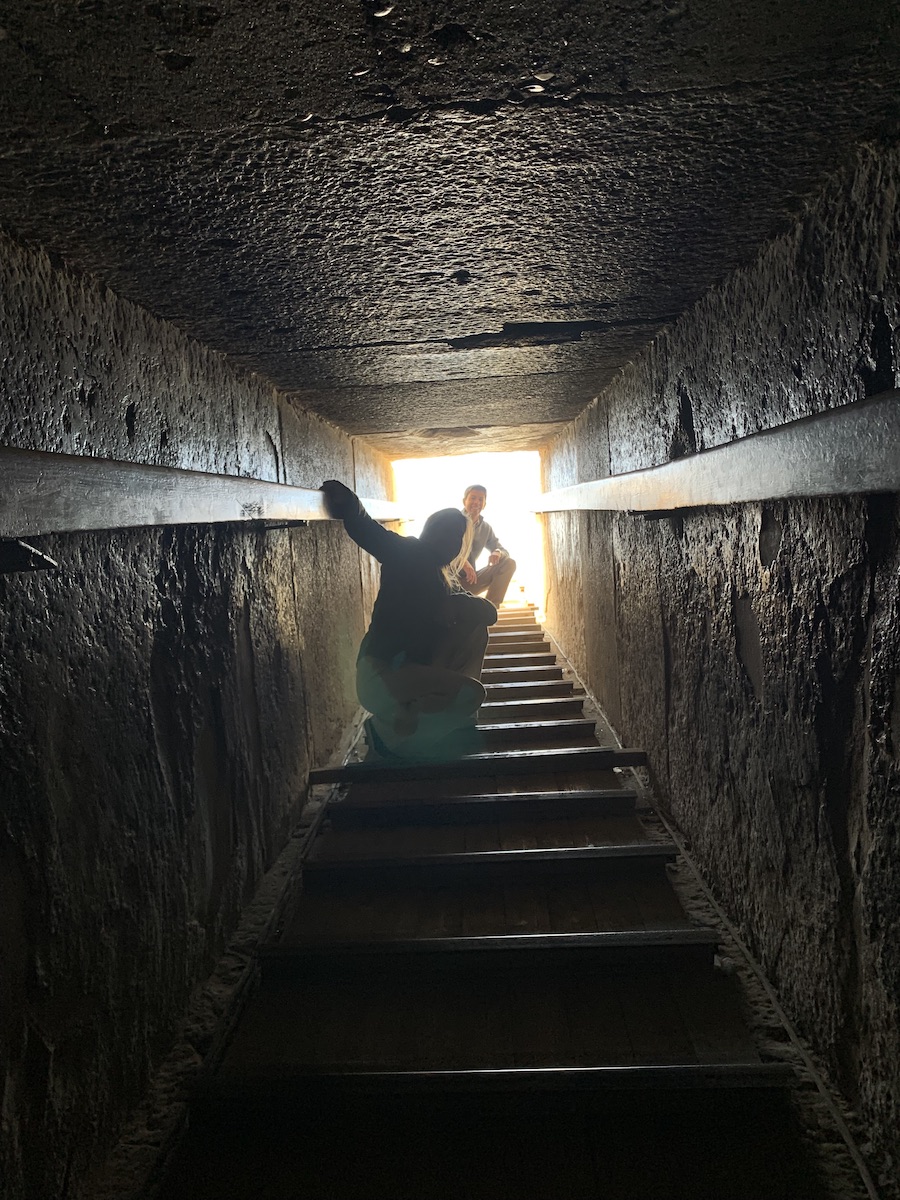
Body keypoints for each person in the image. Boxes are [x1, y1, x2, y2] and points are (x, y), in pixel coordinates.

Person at [321, 479, 497, 761]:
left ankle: (413, 722)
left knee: (475, 627)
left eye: (457, 538)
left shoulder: (445, 580)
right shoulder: (407, 552)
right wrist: (348, 502)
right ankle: (386, 735)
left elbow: (490, 614)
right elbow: (367, 530)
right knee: (471, 695)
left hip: (410, 676)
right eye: (445, 533)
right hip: (379, 677)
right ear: (430, 531)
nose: (450, 543)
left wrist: (457, 603)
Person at [458, 484, 517, 608]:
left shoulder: (485, 528)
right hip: (448, 583)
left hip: (469, 581)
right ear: (464, 501)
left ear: (484, 504)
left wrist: (497, 552)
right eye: (473, 498)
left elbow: (502, 550)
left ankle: (489, 610)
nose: (476, 502)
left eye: (480, 499)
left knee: (509, 563)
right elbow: (441, 550)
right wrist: (463, 561)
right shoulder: (453, 521)